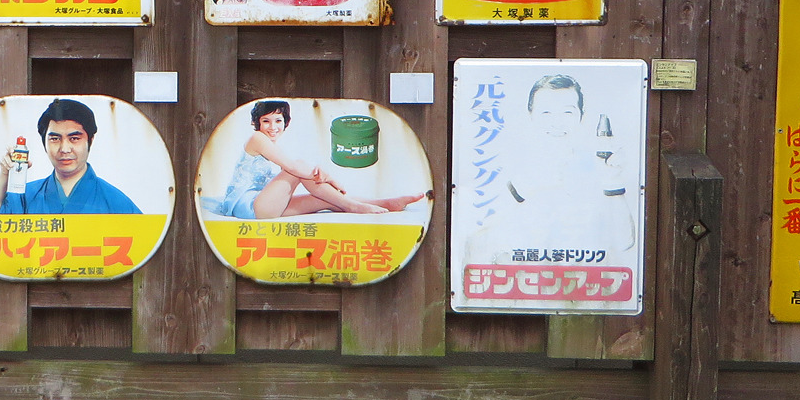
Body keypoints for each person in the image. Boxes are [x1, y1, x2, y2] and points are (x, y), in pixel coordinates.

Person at [463, 74, 635, 259]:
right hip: (520, 280)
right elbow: (475, 236)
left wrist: (612, 181)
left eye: (567, 112)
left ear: (581, 116)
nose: (557, 122)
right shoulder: (502, 167)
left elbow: (623, 242)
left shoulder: (600, 167)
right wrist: (520, 190)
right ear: (530, 114)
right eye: (546, 112)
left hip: (578, 280)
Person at [214, 99, 427, 219]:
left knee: (324, 200)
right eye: (266, 121)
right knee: (297, 167)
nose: (272, 127)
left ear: (285, 122)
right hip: (249, 207)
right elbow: (292, 167)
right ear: (258, 123)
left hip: (264, 205)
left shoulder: (270, 144)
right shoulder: (257, 138)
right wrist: (330, 179)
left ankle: (388, 203)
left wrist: (325, 179)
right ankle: (353, 206)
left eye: (278, 120)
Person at [0, 97, 140, 214]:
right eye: (55, 139)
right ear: (44, 143)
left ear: (90, 140)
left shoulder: (115, 201)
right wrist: (5, 175)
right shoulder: (27, 196)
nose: (64, 148)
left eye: (74, 138)